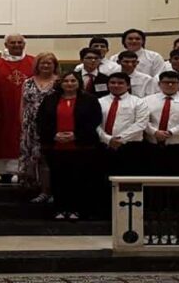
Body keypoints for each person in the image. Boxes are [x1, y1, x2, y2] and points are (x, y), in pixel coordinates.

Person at [36, 72, 103, 220]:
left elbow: (94, 120)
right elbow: (41, 121)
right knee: (59, 178)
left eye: (73, 81)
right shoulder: (50, 99)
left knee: (78, 179)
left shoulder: (89, 100)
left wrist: (76, 135)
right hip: (56, 147)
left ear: (79, 83)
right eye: (66, 81)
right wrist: (54, 135)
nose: (69, 84)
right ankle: (60, 208)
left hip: (82, 147)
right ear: (60, 83)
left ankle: (76, 209)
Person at [0, 34, 36, 183]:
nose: (16, 45)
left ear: (24, 44)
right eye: (13, 42)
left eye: (20, 42)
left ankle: (25, 172)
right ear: (6, 45)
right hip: (3, 110)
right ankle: (4, 173)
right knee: (4, 140)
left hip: (27, 109)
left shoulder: (33, 62)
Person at [144, 71, 179, 176]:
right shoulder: (146, 101)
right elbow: (141, 120)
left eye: (173, 82)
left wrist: (171, 132)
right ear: (159, 84)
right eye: (166, 82)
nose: (170, 85)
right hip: (152, 149)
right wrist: (154, 132)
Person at [20, 53, 59, 202]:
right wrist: (22, 125)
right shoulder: (28, 82)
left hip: (51, 126)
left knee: (48, 160)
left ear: (55, 65)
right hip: (30, 126)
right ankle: (36, 190)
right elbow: (22, 104)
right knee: (32, 159)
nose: (46, 65)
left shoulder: (59, 82)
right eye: (42, 63)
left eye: (49, 63)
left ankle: (50, 191)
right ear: (37, 65)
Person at [98, 73, 149, 177]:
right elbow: (94, 123)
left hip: (130, 148)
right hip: (103, 146)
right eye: (112, 82)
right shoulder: (99, 102)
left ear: (128, 86)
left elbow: (141, 124)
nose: (116, 85)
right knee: (103, 179)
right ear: (108, 85)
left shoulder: (138, 102)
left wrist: (119, 139)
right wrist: (108, 139)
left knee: (128, 180)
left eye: (120, 83)